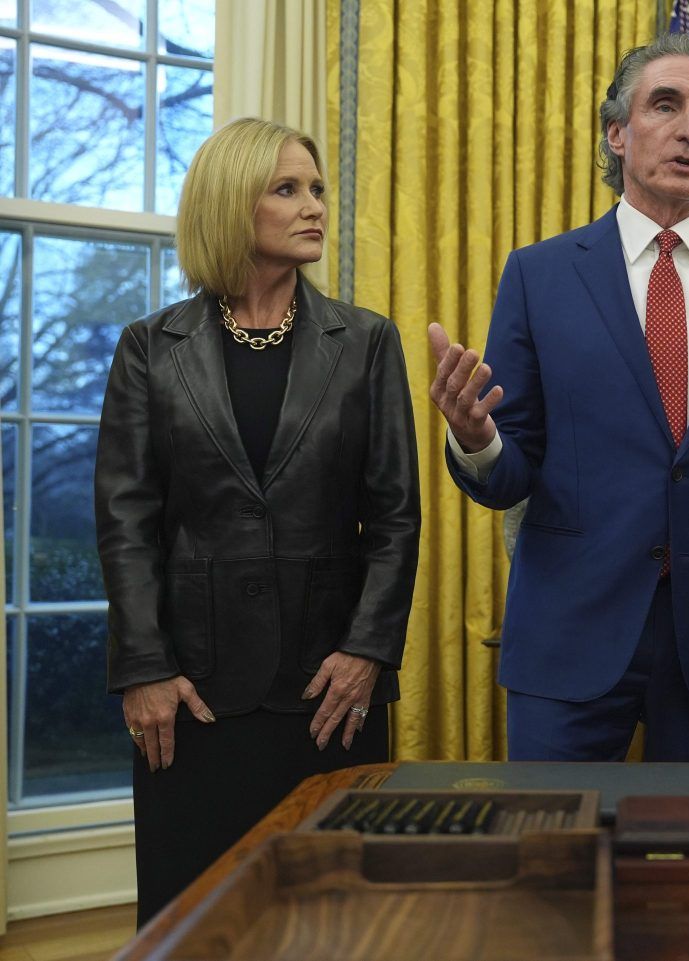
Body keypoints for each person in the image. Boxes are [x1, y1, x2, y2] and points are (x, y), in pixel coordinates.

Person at [428, 33, 689, 762]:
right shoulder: (540, 276)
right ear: (617, 134)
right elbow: (510, 474)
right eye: (666, 105)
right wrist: (477, 438)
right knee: (557, 860)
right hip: (571, 632)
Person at [95, 118, 421, 923]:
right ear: (230, 204)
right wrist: (142, 667)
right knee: (190, 918)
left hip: (328, 689)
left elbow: (395, 516)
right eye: (287, 189)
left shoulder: (368, 343)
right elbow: (124, 519)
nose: (313, 205)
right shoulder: (149, 347)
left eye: (316, 188)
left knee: (332, 918)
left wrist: (368, 651)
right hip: (192, 695)